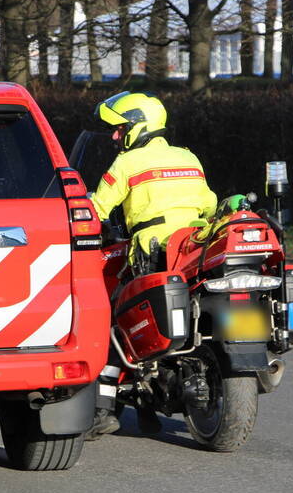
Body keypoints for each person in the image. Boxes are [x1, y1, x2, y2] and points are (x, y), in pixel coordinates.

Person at [86, 91, 218, 439]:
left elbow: (95, 211)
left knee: (117, 322)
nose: (115, 136)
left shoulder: (127, 164)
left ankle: (102, 410)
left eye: (118, 129)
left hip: (151, 253)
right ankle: (148, 409)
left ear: (136, 127)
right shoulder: (189, 158)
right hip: (192, 251)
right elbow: (208, 206)